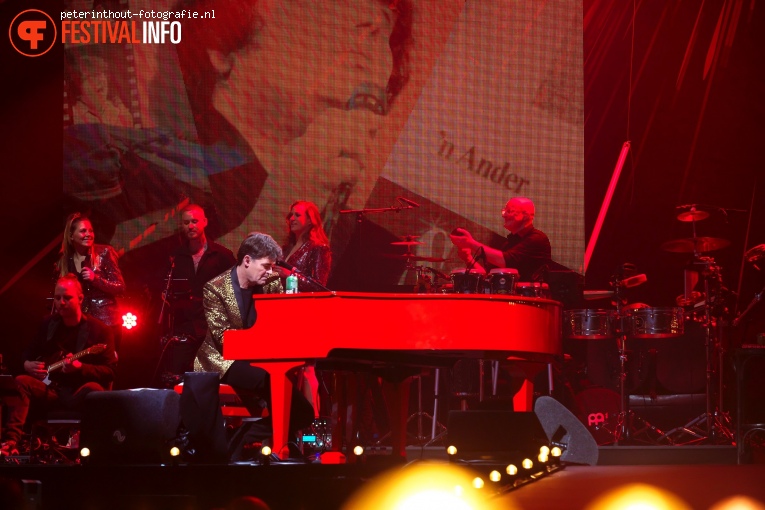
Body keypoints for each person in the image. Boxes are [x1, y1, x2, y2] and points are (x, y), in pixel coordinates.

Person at [193, 233, 314, 459]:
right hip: (225, 361)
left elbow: (281, 324)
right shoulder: (215, 288)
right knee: (272, 383)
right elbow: (224, 339)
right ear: (247, 260)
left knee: (303, 413)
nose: (270, 272)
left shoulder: (271, 284)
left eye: (273, 267)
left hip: (263, 360)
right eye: (266, 266)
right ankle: (275, 444)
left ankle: (244, 434)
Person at [1, 275, 118, 456]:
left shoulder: (100, 330)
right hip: (53, 391)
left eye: (67, 298)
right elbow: (27, 353)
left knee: (94, 390)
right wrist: (27, 364)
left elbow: (109, 372)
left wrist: (81, 368)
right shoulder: (48, 324)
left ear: (80, 299)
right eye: (57, 298)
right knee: (22, 381)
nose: (61, 303)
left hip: (80, 393)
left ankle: (96, 450)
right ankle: (10, 442)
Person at [162, 204, 236, 376]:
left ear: (205, 222)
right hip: (184, 328)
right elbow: (165, 288)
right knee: (176, 376)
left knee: (214, 377)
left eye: (194, 221)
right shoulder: (176, 257)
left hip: (213, 328)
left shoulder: (222, 255)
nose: (190, 226)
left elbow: (235, 290)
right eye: (186, 222)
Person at [56, 213, 126, 348]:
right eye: (83, 231)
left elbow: (120, 287)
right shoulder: (65, 260)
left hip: (107, 323)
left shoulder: (105, 252)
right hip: (80, 323)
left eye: (91, 230)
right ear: (71, 235)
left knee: (105, 365)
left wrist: (96, 279)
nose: (88, 234)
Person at [449, 196, 552, 282]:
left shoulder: (537, 239)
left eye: (510, 211)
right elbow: (488, 276)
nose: (504, 215)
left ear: (525, 216)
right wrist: (468, 258)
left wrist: (470, 243)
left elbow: (506, 261)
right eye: (504, 211)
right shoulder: (509, 243)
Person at [278, 201, 332, 292]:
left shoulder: (318, 248)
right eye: (291, 215)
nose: (291, 218)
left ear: (310, 220)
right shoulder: (286, 248)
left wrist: (290, 275)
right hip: (280, 302)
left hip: (302, 304)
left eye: (297, 215)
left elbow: (319, 287)